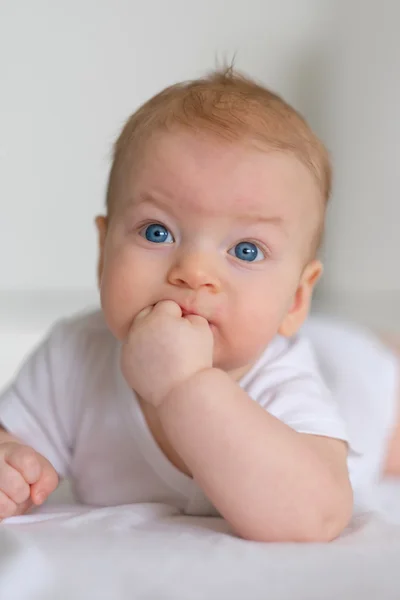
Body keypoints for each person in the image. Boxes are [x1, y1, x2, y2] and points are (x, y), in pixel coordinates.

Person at [0, 68, 398, 542]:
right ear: (104, 251)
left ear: (296, 297)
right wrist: (11, 463)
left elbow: (314, 517)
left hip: (361, 384)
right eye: (156, 231)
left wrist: (185, 386)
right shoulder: (74, 356)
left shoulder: (282, 381)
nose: (194, 271)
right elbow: (14, 439)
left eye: (246, 250)